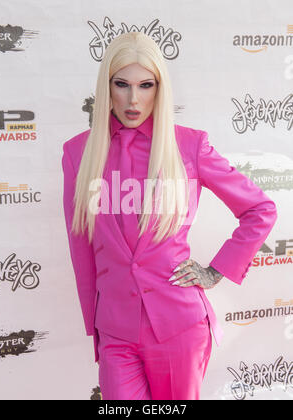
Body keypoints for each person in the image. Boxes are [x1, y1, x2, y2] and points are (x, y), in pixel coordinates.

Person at [61, 32, 277, 400]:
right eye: (122, 85)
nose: (133, 99)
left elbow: (260, 209)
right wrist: (94, 327)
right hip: (116, 331)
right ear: (106, 87)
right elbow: (81, 249)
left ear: (159, 88)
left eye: (146, 85)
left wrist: (214, 271)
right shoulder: (78, 153)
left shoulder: (189, 146)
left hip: (179, 327)